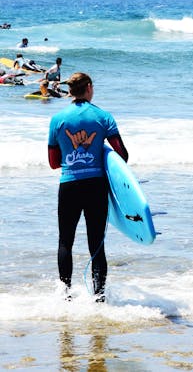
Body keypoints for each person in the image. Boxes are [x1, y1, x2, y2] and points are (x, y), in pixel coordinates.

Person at [47, 72, 129, 302]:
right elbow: (122, 155)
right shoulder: (103, 117)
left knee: (65, 241)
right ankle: (99, 298)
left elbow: (54, 163)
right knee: (96, 242)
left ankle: (65, 296)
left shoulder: (58, 119)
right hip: (96, 186)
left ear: (70, 90)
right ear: (89, 87)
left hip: (69, 185)